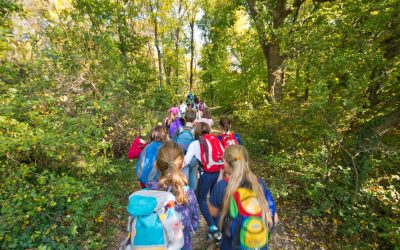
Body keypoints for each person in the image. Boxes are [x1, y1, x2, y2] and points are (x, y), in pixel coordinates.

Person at [208, 145, 278, 250]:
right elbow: (275, 218)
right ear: (246, 162)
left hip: (231, 244)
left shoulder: (222, 186)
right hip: (259, 244)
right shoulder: (258, 183)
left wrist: (220, 178)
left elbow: (212, 212)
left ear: (226, 163)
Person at [146, 141, 200, 250]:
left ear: (157, 164)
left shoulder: (148, 192)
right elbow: (194, 224)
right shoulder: (187, 193)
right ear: (182, 164)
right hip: (182, 245)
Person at [184, 122, 224, 243]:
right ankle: (218, 229)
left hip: (206, 175)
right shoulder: (216, 140)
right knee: (214, 200)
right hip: (219, 173)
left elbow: (186, 162)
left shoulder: (195, 143)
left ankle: (213, 228)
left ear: (196, 131)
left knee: (200, 199)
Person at [175, 109, 198, 190]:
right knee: (192, 175)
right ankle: (193, 195)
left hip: (181, 157)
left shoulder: (179, 129)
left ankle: (184, 194)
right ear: (195, 119)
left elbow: (174, 142)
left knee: (184, 178)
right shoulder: (196, 131)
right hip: (193, 158)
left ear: (185, 118)